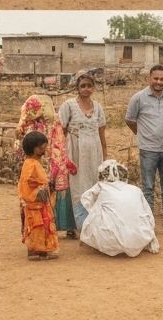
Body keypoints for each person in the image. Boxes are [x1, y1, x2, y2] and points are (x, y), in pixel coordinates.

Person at [126, 65, 163, 230]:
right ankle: (148, 223)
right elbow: (130, 120)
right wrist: (141, 134)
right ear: (149, 78)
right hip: (148, 150)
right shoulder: (138, 98)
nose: (159, 82)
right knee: (148, 187)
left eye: (162, 79)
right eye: (156, 78)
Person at [16, 93, 75, 234]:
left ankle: (36, 230)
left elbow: (19, 142)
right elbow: (60, 147)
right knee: (47, 194)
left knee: (38, 195)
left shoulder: (29, 127)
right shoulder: (54, 123)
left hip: (39, 164)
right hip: (48, 163)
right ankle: (50, 228)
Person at [80, 159, 161, 257]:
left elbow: (85, 199)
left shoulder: (101, 187)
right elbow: (148, 214)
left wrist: (94, 211)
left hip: (111, 240)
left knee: (96, 212)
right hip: (140, 238)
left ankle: (98, 243)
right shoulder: (135, 190)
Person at [59, 73, 108, 232]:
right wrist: (61, 155)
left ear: (93, 88)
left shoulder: (98, 107)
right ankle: (74, 226)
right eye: (83, 86)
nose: (86, 89)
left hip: (94, 152)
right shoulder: (69, 105)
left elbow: (101, 133)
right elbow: (62, 131)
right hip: (75, 151)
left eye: (89, 85)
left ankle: (91, 226)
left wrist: (105, 156)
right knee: (75, 186)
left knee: (93, 185)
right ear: (78, 88)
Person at [19, 131, 58, 260]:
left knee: (44, 225)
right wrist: (39, 191)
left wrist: (48, 187)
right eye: (42, 148)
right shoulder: (30, 164)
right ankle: (34, 250)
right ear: (33, 148)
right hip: (34, 203)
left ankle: (43, 249)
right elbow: (26, 184)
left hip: (41, 203)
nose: (44, 150)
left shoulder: (35, 163)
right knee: (36, 226)